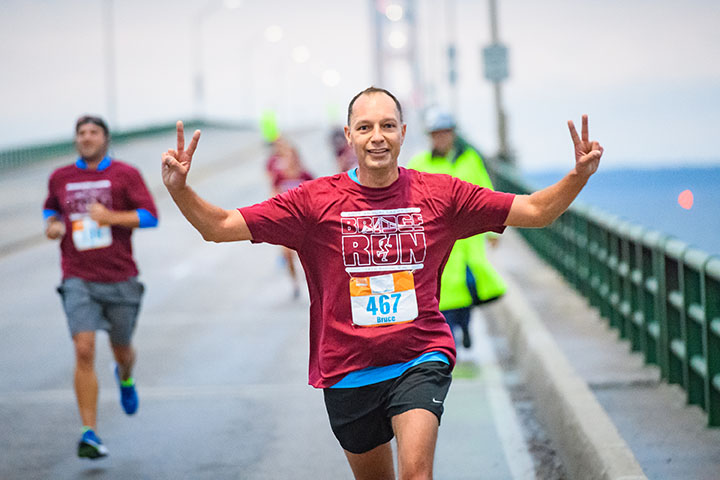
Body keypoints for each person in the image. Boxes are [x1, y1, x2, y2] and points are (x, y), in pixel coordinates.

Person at [161, 87, 602, 479]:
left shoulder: (441, 194)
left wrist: (577, 176)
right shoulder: (315, 202)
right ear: (349, 136)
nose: (378, 136)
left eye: (388, 125)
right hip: (348, 369)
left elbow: (536, 211)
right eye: (366, 127)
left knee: (416, 471)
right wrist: (181, 189)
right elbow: (219, 226)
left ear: (403, 133)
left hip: (418, 355)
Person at [43, 115, 158, 460]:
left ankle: (125, 377)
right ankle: (89, 433)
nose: (87, 137)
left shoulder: (126, 174)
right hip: (78, 277)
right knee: (84, 349)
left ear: (106, 139)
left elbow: (151, 216)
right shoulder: (61, 177)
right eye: (81, 133)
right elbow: (51, 208)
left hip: (121, 277)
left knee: (122, 349)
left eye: (94, 132)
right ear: (76, 140)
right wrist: (51, 225)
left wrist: (113, 218)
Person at [407, 109, 506, 350]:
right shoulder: (419, 164)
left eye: (445, 133)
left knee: (467, 291)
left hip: (468, 239)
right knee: (443, 296)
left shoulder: (470, 160)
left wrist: (494, 230)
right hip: (435, 241)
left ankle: (465, 328)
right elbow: (407, 201)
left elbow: (487, 194)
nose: (441, 138)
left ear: (452, 134)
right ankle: (448, 344)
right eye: (436, 134)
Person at [264, 136, 314, 297]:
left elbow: (314, 196)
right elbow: (273, 193)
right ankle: (294, 283)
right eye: (287, 158)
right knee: (287, 254)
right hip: (286, 221)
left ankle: (313, 281)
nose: (290, 161)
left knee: (306, 256)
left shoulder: (306, 175)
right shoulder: (279, 175)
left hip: (303, 222)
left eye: (292, 157)